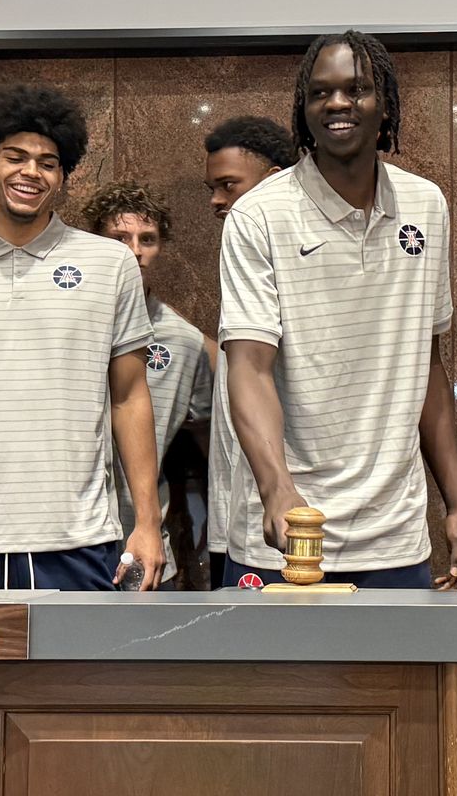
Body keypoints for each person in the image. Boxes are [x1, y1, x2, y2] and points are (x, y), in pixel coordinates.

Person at [220, 31, 457, 588]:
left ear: (384, 103)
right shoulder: (259, 215)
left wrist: (455, 501)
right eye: (320, 93)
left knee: (398, 682)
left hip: (396, 538)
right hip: (288, 536)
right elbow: (248, 365)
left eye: (356, 89)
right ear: (303, 110)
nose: (337, 103)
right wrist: (276, 488)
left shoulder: (426, 206)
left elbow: (425, 364)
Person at [0, 83, 165, 591]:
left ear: (61, 176)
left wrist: (148, 524)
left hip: (81, 539)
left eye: (48, 162)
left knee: (83, 675)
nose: (31, 172)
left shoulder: (110, 265)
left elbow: (130, 398)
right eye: (15, 157)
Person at [81, 180, 213, 588]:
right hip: (65, 537)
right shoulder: (66, 326)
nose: (134, 250)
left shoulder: (183, 341)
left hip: (140, 540)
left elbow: (212, 439)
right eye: (119, 237)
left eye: (147, 239)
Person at [200, 116, 295, 589]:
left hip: (285, 529)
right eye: (212, 187)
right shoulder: (239, 259)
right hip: (236, 522)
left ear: (275, 180)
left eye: (228, 185)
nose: (217, 200)